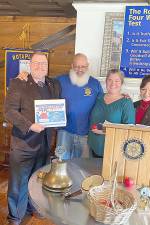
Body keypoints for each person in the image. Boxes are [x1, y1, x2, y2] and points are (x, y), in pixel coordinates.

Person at [4, 52, 61, 225]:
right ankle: (15, 216)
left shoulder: (53, 83)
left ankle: (33, 207)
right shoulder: (18, 83)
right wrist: (30, 125)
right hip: (24, 144)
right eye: (36, 63)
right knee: (18, 184)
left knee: (37, 181)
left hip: (44, 143)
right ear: (29, 65)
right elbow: (9, 112)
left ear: (48, 65)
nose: (40, 66)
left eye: (43, 63)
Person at [55, 53, 103, 159]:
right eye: (77, 66)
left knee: (84, 166)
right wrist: (26, 74)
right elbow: (43, 87)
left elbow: (103, 105)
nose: (80, 69)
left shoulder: (95, 84)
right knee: (61, 162)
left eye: (83, 66)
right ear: (72, 66)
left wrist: (121, 96)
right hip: (64, 132)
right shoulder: (60, 81)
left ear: (87, 66)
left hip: (86, 133)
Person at [88, 69, 135, 157]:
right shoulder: (98, 97)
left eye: (117, 81)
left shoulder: (126, 102)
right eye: (110, 80)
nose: (113, 84)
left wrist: (105, 131)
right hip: (93, 146)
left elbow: (129, 129)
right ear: (106, 82)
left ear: (121, 83)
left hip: (113, 151)